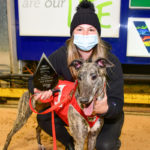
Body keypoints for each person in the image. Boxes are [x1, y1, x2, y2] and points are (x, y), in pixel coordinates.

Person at [28, 0, 124, 150]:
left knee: (104, 146)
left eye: (91, 29)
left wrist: (107, 108)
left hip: (106, 115)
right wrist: (39, 89)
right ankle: (69, 144)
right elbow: (34, 80)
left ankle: (111, 143)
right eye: (79, 29)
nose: (85, 33)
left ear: (98, 34)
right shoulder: (62, 55)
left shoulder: (110, 61)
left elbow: (118, 102)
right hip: (76, 111)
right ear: (73, 33)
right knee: (43, 117)